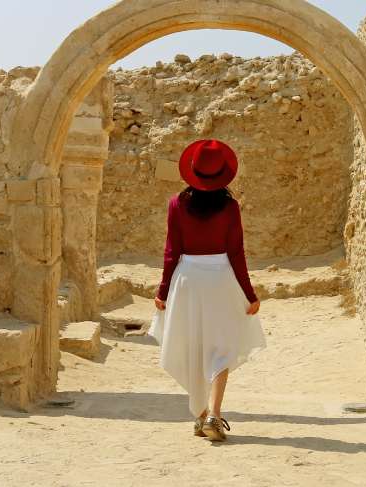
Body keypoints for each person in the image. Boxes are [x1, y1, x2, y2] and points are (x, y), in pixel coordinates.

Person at [147, 139, 266, 442]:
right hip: (221, 280)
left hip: (187, 280)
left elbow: (171, 252)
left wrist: (162, 292)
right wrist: (249, 295)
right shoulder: (230, 207)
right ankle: (214, 412)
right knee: (221, 348)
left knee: (191, 345)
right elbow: (236, 253)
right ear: (223, 173)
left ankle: (201, 417)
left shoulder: (176, 204)